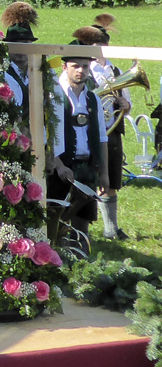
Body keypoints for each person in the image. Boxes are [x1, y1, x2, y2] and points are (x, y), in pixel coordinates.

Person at [49, 46, 109, 249]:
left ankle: (81, 262)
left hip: (88, 167)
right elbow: (45, 136)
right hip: (61, 168)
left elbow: (102, 138)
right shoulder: (52, 95)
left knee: (83, 220)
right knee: (58, 221)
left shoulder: (93, 99)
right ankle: (60, 265)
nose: (81, 70)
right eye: (75, 66)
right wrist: (58, 166)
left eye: (85, 66)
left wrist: (104, 173)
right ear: (65, 66)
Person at [76, 20, 129, 240]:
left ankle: (111, 228)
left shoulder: (115, 69)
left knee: (112, 179)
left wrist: (125, 106)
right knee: (92, 177)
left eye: (103, 45)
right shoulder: (86, 70)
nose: (100, 50)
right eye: (96, 45)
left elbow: (126, 103)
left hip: (112, 131)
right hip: (89, 131)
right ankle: (85, 227)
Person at [1, 2, 39, 107]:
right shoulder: (3, 73)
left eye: (25, 43)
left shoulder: (40, 71)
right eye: (16, 44)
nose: (21, 50)